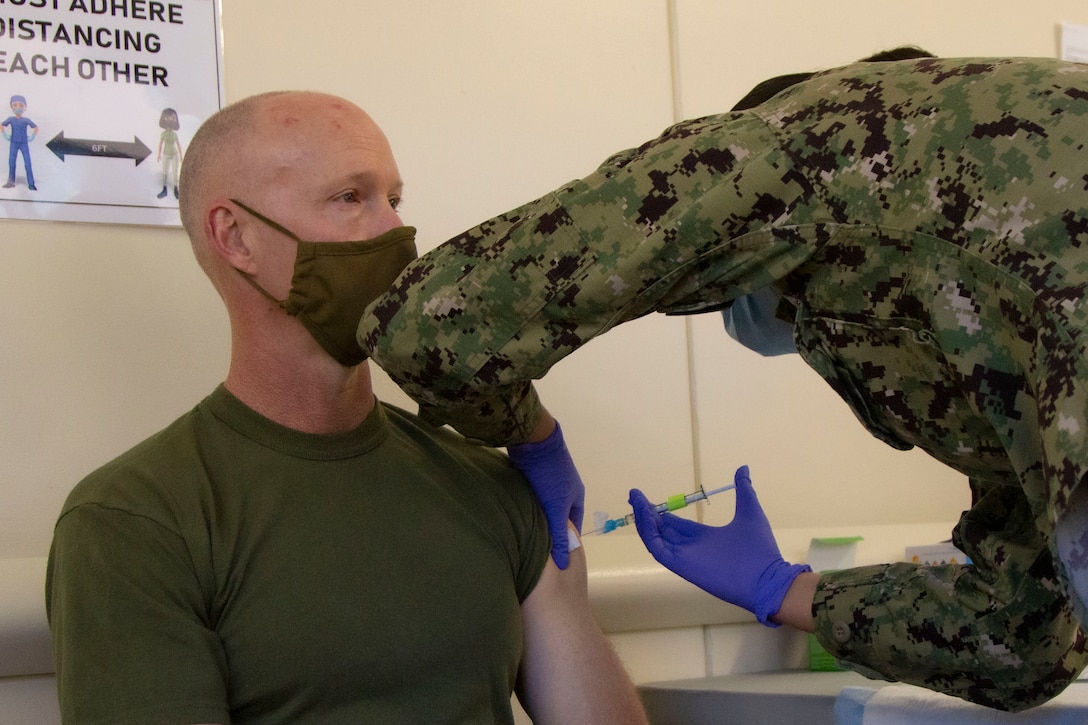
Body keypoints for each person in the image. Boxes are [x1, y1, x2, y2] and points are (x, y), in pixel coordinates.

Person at [359, 52, 1088, 712]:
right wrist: (783, 588)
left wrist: (532, 435)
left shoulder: (799, 140)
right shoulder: (992, 277)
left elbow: (427, 325)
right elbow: (1024, 635)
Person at [45, 90, 647, 725]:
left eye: (395, 199)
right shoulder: (136, 521)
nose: (397, 231)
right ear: (237, 236)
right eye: (350, 198)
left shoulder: (493, 487)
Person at [3, 94, 38, 190]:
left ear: (25, 107)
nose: (18, 107)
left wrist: (33, 136)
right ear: (11, 107)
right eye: (15, 105)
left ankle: (31, 184)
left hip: (24, 143)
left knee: (27, 163)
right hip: (13, 143)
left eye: (21, 105)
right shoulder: (11, 119)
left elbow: (35, 127)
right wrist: (4, 135)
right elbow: (1, 125)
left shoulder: (26, 120)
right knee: (12, 162)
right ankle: (10, 182)